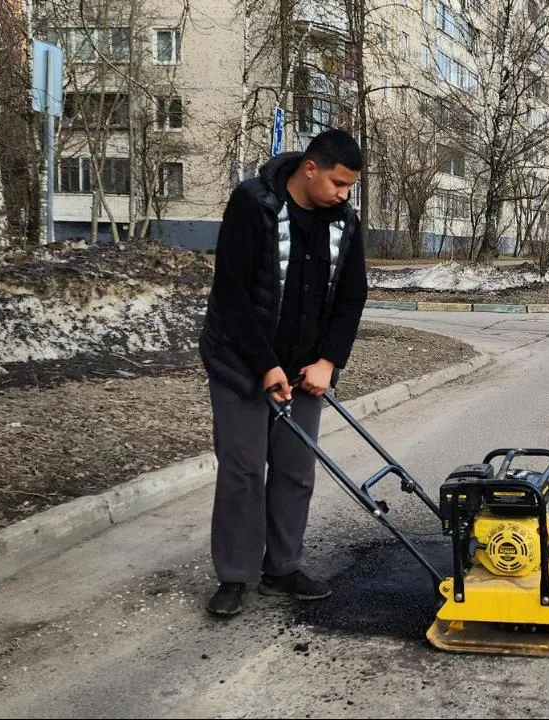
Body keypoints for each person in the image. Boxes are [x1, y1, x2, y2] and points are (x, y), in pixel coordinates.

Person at [198, 129, 369, 617]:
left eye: (349, 187)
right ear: (309, 169)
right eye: (338, 183)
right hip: (240, 363)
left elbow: (351, 296)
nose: (343, 194)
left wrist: (328, 361)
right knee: (244, 469)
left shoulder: (344, 223)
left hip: (306, 368)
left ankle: (283, 565)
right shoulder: (253, 204)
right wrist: (265, 365)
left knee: (295, 470)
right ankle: (235, 575)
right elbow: (230, 294)